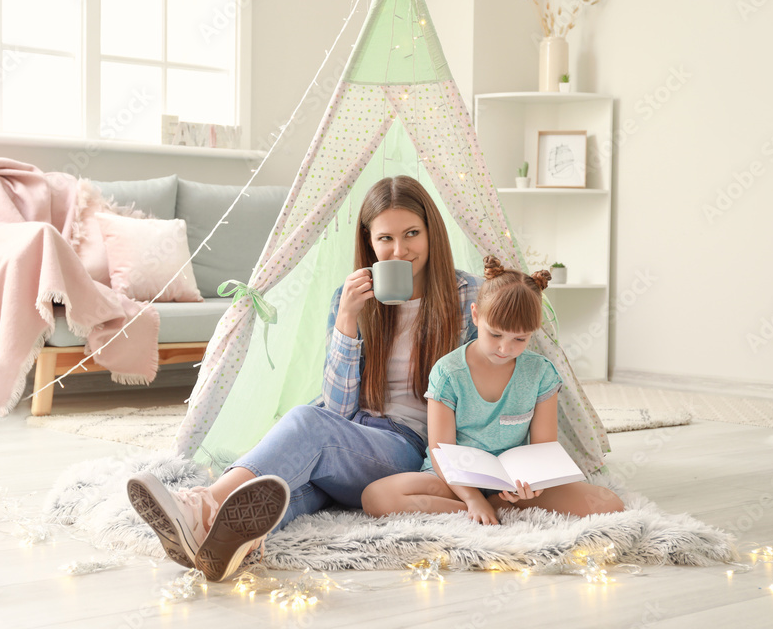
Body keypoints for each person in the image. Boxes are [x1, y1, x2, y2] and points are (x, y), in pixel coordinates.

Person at [127, 175, 484, 581]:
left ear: (431, 232)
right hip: (349, 439)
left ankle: (202, 504)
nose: (399, 250)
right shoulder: (349, 299)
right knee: (282, 492)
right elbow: (338, 408)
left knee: (305, 423)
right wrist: (348, 320)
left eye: (412, 234)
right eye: (386, 239)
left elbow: (481, 390)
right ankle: (221, 546)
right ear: (369, 242)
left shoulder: (469, 297)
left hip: (405, 448)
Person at [361, 256, 625, 525]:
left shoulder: (541, 373)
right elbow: (442, 451)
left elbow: (543, 449)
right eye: (495, 334)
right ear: (476, 315)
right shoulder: (448, 372)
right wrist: (472, 498)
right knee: (377, 496)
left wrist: (532, 486)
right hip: (454, 480)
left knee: (610, 503)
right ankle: (482, 509)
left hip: (513, 483)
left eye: (519, 339)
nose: (505, 349)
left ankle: (497, 507)